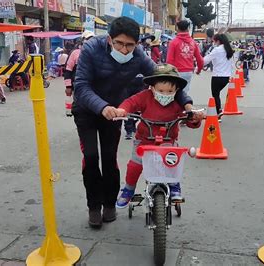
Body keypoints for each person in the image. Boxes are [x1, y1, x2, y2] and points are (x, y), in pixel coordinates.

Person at [72, 16, 197, 228]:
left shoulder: (138, 56)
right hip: (87, 111)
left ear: (137, 44)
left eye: (129, 45)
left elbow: (164, 79)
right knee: (91, 157)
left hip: (116, 112)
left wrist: (187, 104)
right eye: (119, 43)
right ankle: (94, 206)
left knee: (110, 158)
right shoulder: (92, 48)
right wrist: (102, 107)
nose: (123, 49)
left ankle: (110, 204)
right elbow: (81, 86)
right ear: (110, 39)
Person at [115, 64, 203, 208]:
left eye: (170, 91)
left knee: (173, 163)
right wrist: (122, 110)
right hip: (144, 140)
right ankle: (128, 189)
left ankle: (175, 186)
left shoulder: (178, 102)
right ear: (152, 88)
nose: (165, 94)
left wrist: (195, 119)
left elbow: (190, 120)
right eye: (161, 90)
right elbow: (130, 102)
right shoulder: (145, 97)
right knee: (135, 165)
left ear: (176, 90)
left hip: (169, 140)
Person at [166, 20, 204, 94]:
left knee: (174, 93)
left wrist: (168, 73)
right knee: (184, 93)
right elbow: (200, 60)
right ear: (188, 28)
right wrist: (198, 70)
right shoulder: (193, 42)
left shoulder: (173, 42)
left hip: (176, 72)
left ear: (177, 29)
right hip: (188, 72)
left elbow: (169, 60)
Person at [203, 33, 234, 120]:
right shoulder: (229, 50)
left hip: (217, 76)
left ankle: (218, 112)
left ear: (218, 41)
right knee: (217, 94)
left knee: (215, 95)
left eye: (214, 41)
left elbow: (206, 59)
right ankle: (218, 110)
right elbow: (231, 64)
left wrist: (197, 66)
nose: (214, 43)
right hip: (226, 77)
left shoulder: (217, 50)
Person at [64, 31, 95, 116]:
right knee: (80, 109)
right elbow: (68, 70)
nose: (90, 41)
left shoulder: (97, 53)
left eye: (92, 39)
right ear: (83, 40)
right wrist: (68, 86)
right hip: (78, 86)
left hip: (94, 87)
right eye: (88, 39)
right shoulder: (75, 53)